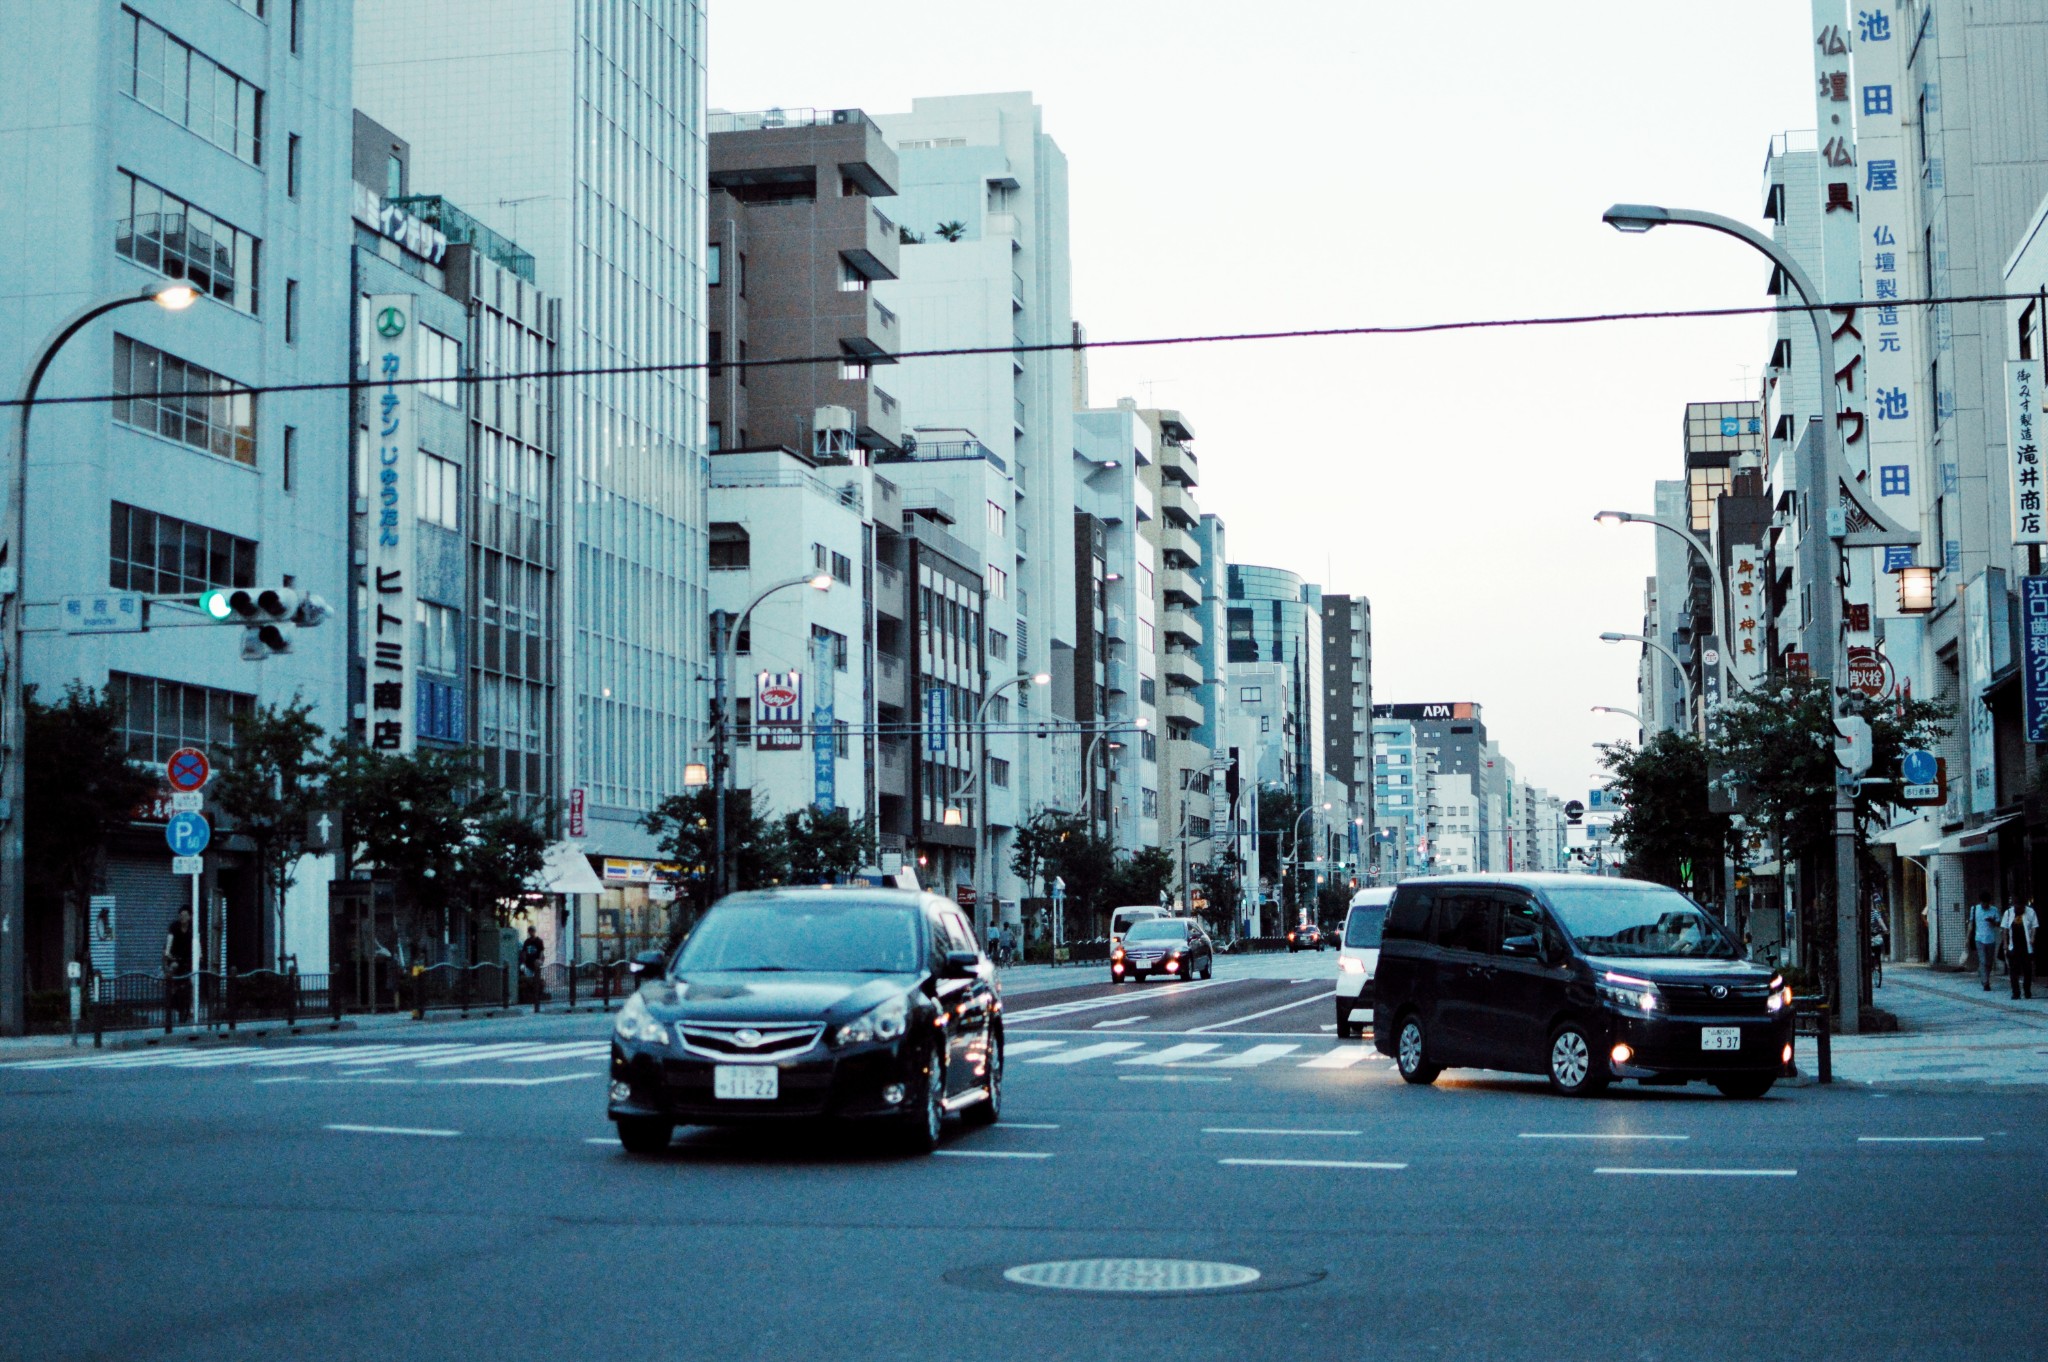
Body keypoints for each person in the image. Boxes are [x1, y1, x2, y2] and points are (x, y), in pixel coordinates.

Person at [2002, 900, 2038, 1001]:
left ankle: (2027, 990)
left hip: (2026, 947)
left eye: (2020, 908)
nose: (2018, 910)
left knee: (2027, 970)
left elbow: (2035, 926)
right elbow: (2005, 929)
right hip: (2013, 947)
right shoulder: (2008, 913)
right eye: (2016, 908)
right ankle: (2016, 992)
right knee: (2013, 971)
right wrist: (2005, 944)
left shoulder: (2030, 912)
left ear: (2024, 907)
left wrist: (2032, 938)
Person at [162, 907, 194, 1020]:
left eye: (185, 915)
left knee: (192, 980)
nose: (183, 917)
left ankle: (191, 1008)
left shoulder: (193, 928)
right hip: (174, 956)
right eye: (181, 915)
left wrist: (200, 955)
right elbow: (169, 940)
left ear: (190, 917)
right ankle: (170, 994)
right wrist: (167, 953)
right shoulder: (174, 926)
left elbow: (197, 941)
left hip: (187, 959)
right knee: (173, 971)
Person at [1973, 900, 2003, 990]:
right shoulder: (1975, 909)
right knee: (1983, 961)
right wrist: (1968, 938)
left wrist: (1992, 921)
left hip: (1991, 939)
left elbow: (1998, 924)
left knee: (1989, 962)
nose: (1984, 905)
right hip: (1979, 939)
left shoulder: (1994, 910)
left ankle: (1986, 977)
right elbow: (1971, 923)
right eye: (1983, 903)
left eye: (1986, 903)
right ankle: (1985, 982)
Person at [519, 926, 545, 1000]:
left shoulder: (539, 941)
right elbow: (524, 952)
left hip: (536, 964)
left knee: (537, 978)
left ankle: (537, 995)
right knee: (529, 979)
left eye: (532, 931)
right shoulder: (527, 942)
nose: (531, 933)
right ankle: (531, 994)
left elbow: (541, 951)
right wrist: (523, 962)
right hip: (528, 963)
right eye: (530, 931)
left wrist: (540, 961)